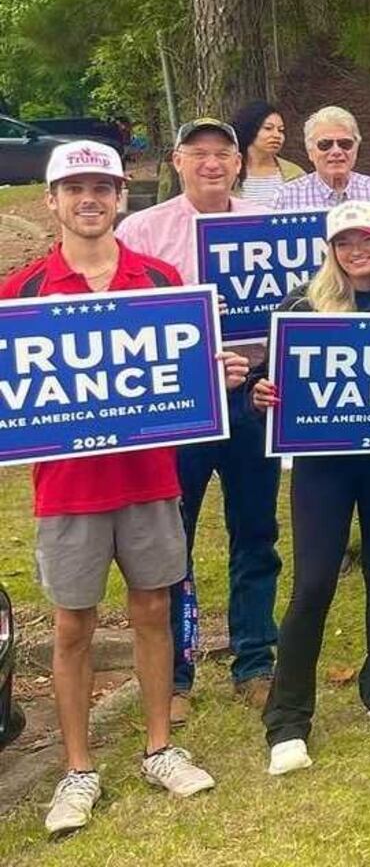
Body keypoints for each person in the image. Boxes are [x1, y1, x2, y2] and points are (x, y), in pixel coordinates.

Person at [5, 142, 241, 835]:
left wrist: (214, 372)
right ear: (51, 201)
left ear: (119, 199)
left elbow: (191, 372)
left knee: (153, 609)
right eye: (74, 187)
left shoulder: (164, 281)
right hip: (67, 490)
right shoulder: (19, 295)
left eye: (102, 188)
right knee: (73, 625)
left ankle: (159, 745)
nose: (89, 199)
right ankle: (78, 768)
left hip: (148, 481)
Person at [249, 201, 370, 776]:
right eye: (346, 242)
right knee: (314, 581)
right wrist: (261, 397)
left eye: (368, 240)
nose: (358, 251)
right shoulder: (301, 306)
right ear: (331, 249)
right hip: (322, 465)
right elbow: (271, 389)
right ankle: (287, 720)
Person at [117, 119, 282, 721]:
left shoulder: (266, 226)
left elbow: (296, 306)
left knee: (256, 531)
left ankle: (255, 658)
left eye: (223, 154)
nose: (212, 163)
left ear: (239, 163)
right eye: (199, 154)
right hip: (180, 406)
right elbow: (131, 322)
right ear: (177, 161)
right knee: (171, 539)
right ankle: (177, 672)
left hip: (252, 399)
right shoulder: (141, 229)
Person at [272, 107, 370, 209]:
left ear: (356, 148)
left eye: (345, 143)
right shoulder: (286, 197)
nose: (336, 151)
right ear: (310, 152)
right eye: (325, 144)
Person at [231, 101, 304, 202]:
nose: (276, 135)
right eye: (268, 128)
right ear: (250, 130)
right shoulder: (229, 171)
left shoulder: (295, 174)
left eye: (281, 130)